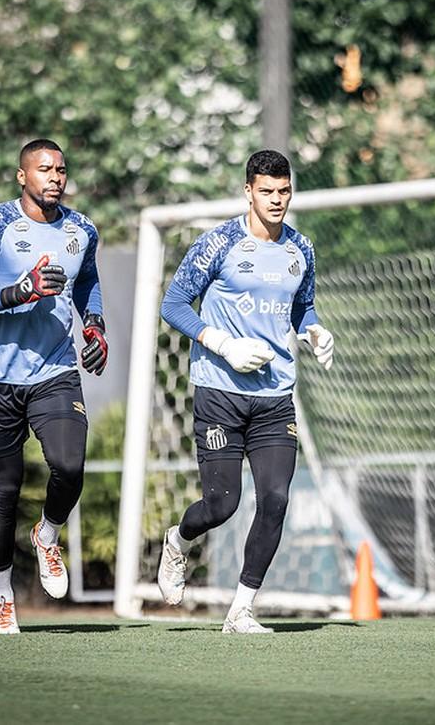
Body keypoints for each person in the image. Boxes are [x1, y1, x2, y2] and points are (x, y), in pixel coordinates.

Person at [156, 149, 335, 633]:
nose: (277, 200)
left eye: (284, 191)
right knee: (223, 505)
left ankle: (242, 609)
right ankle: (178, 539)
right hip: (220, 391)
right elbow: (172, 304)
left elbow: (303, 307)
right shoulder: (217, 244)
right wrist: (221, 343)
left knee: (275, 499)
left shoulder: (302, 249)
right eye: (267, 191)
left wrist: (314, 330)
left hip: (276, 398)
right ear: (248, 191)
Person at [0, 139, 108, 635]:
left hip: (54, 372)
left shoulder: (82, 230)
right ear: (22, 176)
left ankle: (48, 533)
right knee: (4, 489)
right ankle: (1, 599)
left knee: (69, 464)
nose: (55, 177)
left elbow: (88, 282)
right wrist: (21, 291)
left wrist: (95, 325)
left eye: (61, 169)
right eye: (44, 169)